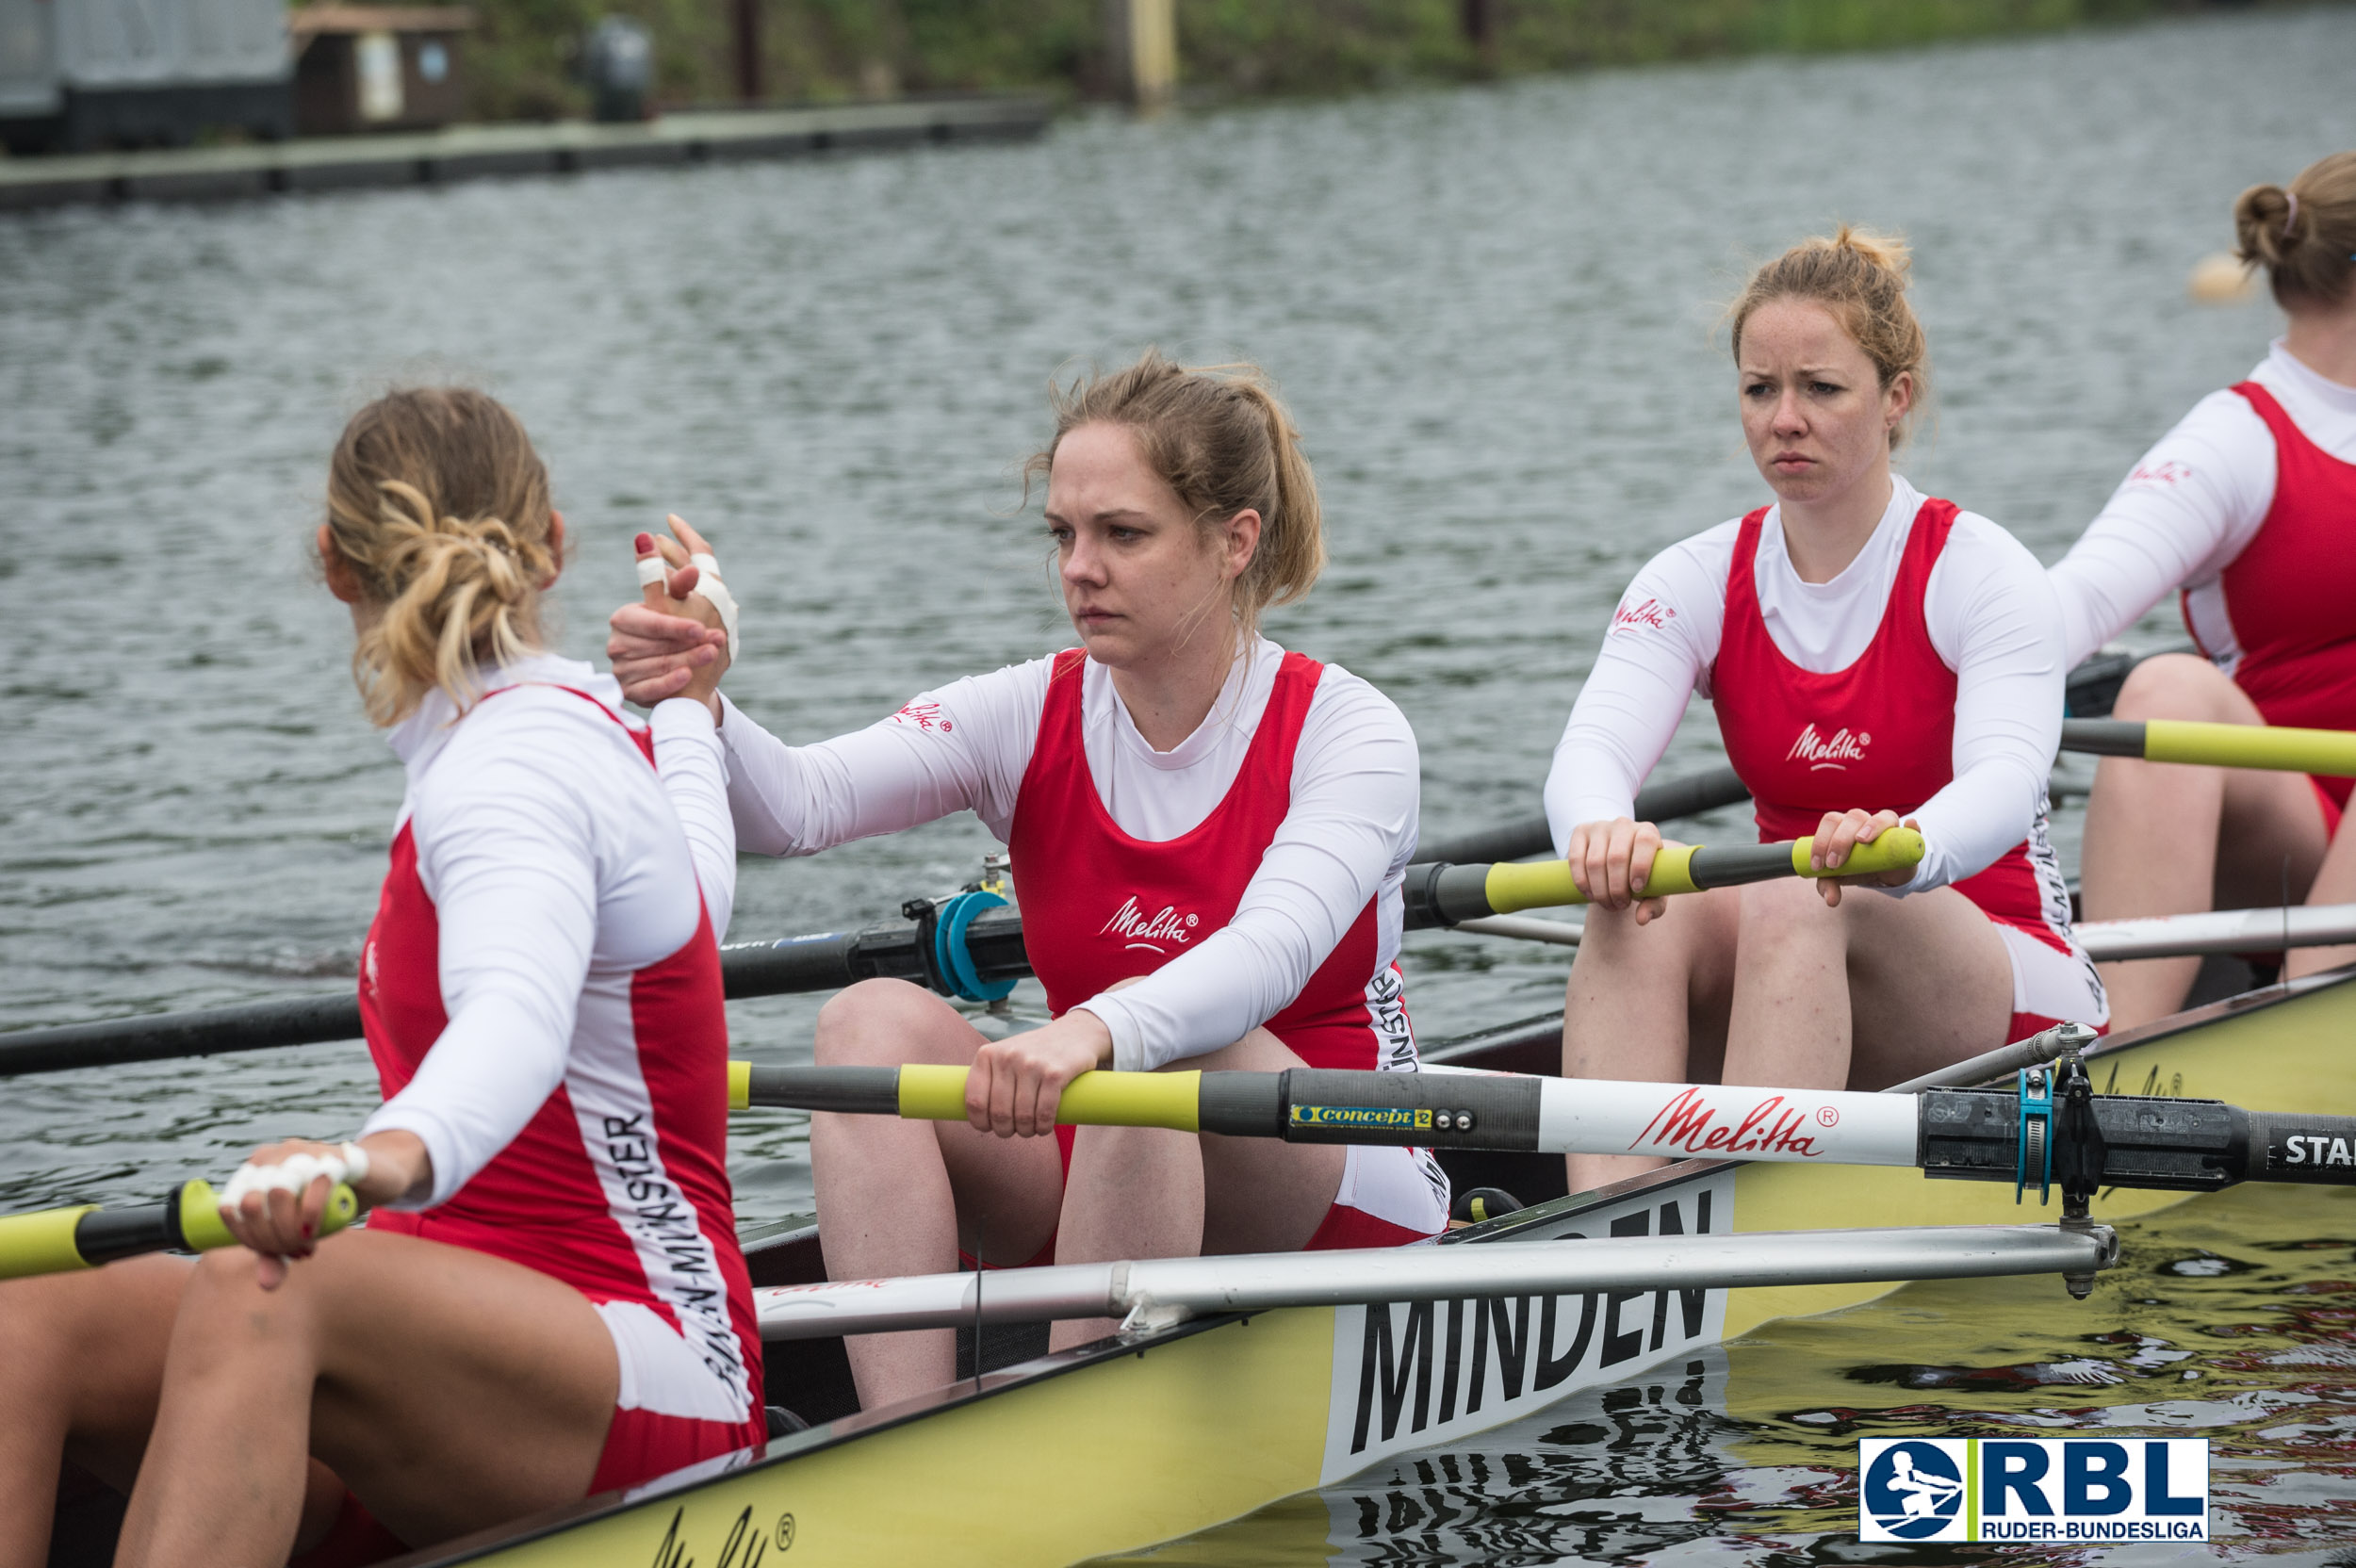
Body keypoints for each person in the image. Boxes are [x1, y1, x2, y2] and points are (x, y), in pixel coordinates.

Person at [0, 388, 758, 1566]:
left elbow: (516, 1013)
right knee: (26, 1300)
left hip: (655, 1370)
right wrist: (691, 716)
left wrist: (375, 1162)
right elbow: (692, 908)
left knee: (277, 1276)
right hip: (471, 1342)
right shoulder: (543, 732)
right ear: (552, 544)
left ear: (331, 566)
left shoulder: (506, 768)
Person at [609, 351, 1448, 1411]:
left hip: (1339, 1181)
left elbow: (1264, 953)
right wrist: (701, 697)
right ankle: (903, 1430)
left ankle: (1066, 1425)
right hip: (1108, 1142)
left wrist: (1094, 1026)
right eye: (1063, 533)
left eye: (1122, 534)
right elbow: (796, 807)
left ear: (1235, 542)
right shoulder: (1026, 709)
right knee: (868, 1021)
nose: (1079, 568)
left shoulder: (1350, 731)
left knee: (1163, 1045)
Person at [1545, 229, 2107, 1193]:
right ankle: (1607, 1225)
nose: (1784, 418)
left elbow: (2008, 782)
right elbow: (1590, 750)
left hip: (2003, 975)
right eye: (1760, 389)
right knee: (1633, 906)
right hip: (1798, 929)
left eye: (1821, 387)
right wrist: (1597, 832)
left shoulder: (1977, 568)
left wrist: (1905, 843)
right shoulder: (1691, 577)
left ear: (1895, 398)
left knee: (1797, 892)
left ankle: (1744, 1221)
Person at [2051, 153, 2356, 1029]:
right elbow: (2068, 610)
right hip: (2298, 826)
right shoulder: (2234, 442)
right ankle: (2121, 1056)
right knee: (2166, 689)